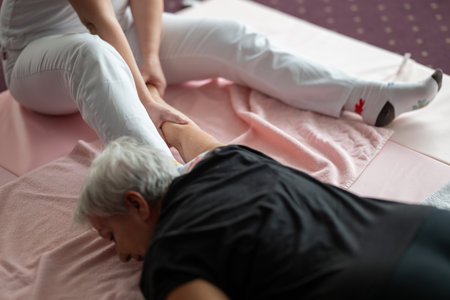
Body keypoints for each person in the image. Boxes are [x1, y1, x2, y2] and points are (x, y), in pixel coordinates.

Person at [0, 0, 443, 157]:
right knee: (93, 56)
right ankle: (164, 187)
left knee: (225, 34)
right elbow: (97, 24)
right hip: (44, 54)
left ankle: (362, 98)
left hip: (119, 29)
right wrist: (146, 99)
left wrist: (151, 59)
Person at [73, 116, 450, 300]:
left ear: (135, 203)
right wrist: (168, 127)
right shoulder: (231, 159)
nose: (119, 255)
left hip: (383, 286)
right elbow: (188, 134)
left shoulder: (169, 260)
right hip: (424, 226)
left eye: (110, 235)